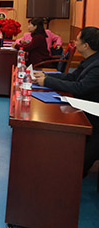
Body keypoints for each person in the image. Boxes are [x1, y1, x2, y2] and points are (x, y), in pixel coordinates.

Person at [34, 27, 99, 176]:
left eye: (78, 39)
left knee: (74, 170)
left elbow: (80, 88)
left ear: (86, 45)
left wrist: (47, 82)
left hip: (93, 117)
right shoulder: (90, 60)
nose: (75, 42)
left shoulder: (97, 65)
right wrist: (46, 76)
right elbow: (72, 78)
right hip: (82, 108)